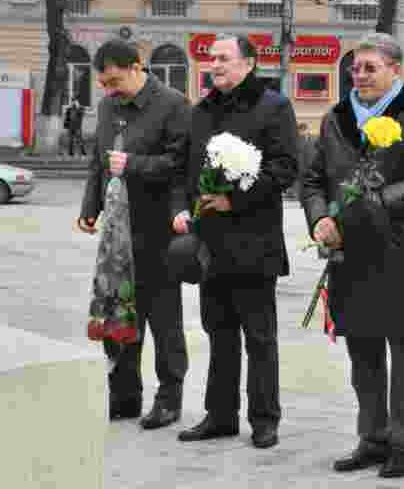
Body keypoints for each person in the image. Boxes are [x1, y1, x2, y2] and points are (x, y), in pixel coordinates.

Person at [301, 32, 404, 478]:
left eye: (370, 67)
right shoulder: (335, 117)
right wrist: (318, 220)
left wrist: (382, 200)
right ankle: (372, 438)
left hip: (400, 249)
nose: (360, 74)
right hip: (347, 252)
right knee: (362, 351)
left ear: (395, 70)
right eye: (356, 67)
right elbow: (312, 180)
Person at [173, 35, 299, 450]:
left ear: (248, 64)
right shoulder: (203, 109)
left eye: (224, 58)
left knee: (259, 336)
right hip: (211, 242)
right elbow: (185, 167)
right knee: (219, 332)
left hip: (254, 241)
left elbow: (285, 169)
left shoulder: (273, 107)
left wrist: (234, 198)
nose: (215, 64)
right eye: (212, 58)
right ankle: (220, 415)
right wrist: (186, 206)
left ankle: (265, 419)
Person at [78, 39, 190, 428]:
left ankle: (169, 398)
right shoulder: (109, 106)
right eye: (104, 84)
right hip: (117, 231)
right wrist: (89, 208)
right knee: (120, 312)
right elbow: (99, 161)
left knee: (163, 319)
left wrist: (135, 164)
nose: (109, 90)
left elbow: (181, 164)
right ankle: (124, 395)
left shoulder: (173, 104)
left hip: (159, 229)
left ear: (137, 67)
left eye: (114, 80)